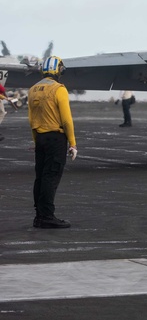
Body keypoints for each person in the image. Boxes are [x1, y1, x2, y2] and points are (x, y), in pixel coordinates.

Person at [27, 56, 79, 229]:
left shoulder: (33, 89)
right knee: (51, 176)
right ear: (59, 70)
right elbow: (67, 120)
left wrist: (36, 140)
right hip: (56, 138)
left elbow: (31, 119)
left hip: (40, 137)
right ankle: (47, 216)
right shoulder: (59, 89)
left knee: (40, 177)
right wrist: (72, 143)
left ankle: (39, 215)